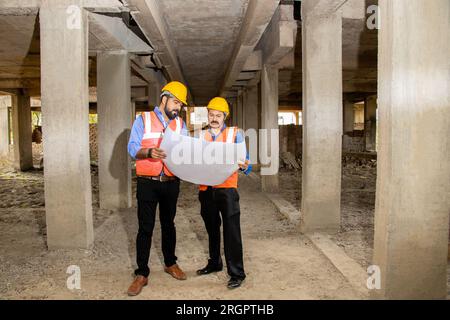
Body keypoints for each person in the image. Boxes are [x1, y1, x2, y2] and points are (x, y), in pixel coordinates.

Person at [126, 81, 189, 296]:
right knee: (145, 227)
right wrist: (149, 152)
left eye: (180, 104)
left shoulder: (180, 124)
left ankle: (170, 263)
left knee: (168, 224)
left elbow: (187, 149)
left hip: (171, 183)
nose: (177, 107)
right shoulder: (142, 119)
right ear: (164, 98)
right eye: (175, 102)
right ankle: (142, 273)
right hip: (148, 183)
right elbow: (132, 148)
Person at [196, 97, 252, 289]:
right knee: (211, 228)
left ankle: (237, 273)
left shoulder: (235, 134)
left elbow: (247, 163)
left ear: (224, 116)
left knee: (231, 231)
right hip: (206, 190)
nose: (214, 118)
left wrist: (246, 166)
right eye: (211, 114)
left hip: (227, 189)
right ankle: (214, 263)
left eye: (218, 115)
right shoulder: (200, 136)